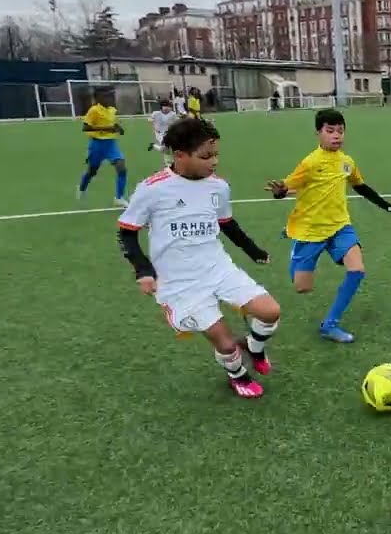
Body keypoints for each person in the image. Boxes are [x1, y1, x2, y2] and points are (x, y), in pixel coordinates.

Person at [116, 118, 281, 399]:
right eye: (205, 156)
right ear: (179, 155)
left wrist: (254, 251)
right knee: (226, 345)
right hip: (180, 282)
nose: (214, 161)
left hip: (218, 268)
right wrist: (143, 270)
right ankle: (237, 375)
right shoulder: (152, 189)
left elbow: (227, 223)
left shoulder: (218, 187)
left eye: (216, 154)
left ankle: (254, 347)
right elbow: (127, 233)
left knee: (270, 312)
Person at [266, 108, 391, 343]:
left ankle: (330, 324)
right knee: (302, 288)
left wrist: (389, 207)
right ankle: (295, 243)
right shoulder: (309, 163)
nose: (336, 136)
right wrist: (280, 192)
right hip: (311, 231)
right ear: (318, 133)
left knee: (357, 271)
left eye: (340, 131)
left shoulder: (347, 162)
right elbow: (288, 186)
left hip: (341, 227)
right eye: (330, 131)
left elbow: (361, 187)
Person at [77, 89, 129, 207]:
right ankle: (82, 188)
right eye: (106, 97)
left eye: (110, 97)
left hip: (111, 144)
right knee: (92, 171)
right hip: (97, 144)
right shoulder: (94, 110)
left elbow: (112, 123)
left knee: (122, 168)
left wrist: (118, 128)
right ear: (98, 99)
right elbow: (85, 128)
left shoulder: (112, 110)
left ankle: (119, 198)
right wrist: (106, 129)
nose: (109, 99)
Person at [146, 100, 180, 166]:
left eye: (169, 106)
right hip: (159, 134)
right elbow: (150, 119)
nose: (167, 108)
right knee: (165, 148)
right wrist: (154, 127)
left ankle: (154, 146)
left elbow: (177, 122)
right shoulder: (156, 113)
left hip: (169, 133)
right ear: (161, 107)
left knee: (172, 147)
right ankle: (167, 164)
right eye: (166, 106)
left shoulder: (172, 114)